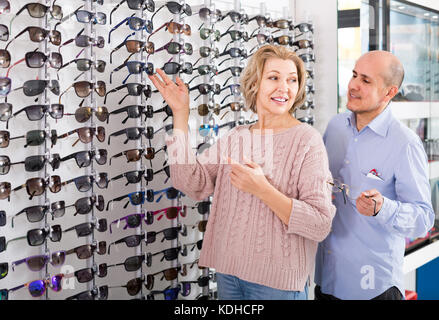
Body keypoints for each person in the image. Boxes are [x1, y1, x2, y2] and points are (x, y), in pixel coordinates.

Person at [148, 44, 335, 300]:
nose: (285, 88)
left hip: (277, 286)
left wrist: (263, 190)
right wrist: (181, 114)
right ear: (254, 83)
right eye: (274, 78)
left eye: (292, 80)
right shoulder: (236, 137)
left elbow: (319, 224)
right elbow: (190, 182)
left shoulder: (306, 140)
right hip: (228, 276)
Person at [314, 50, 435, 300]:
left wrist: (383, 208)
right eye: (354, 75)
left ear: (389, 92)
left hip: (373, 289)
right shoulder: (335, 127)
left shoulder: (405, 143)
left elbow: (424, 218)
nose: (353, 85)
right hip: (327, 280)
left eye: (366, 81)